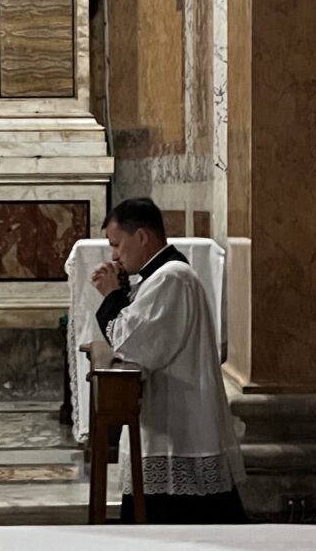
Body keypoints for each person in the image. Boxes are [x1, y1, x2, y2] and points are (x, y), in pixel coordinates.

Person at [91, 198, 247, 524]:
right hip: (174, 420)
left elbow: (133, 342)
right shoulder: (161, 277)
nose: (115, 255)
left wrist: (111, 296)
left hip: (180, 427)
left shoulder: (171, 278)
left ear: (143, 237)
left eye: (117, 244)